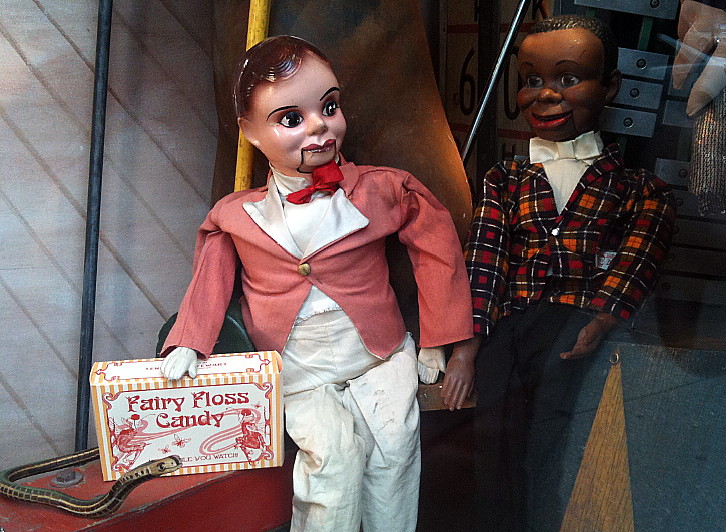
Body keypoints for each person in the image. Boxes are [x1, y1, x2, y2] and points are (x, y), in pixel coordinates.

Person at [159, 35, 473, 532]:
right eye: (290, 118)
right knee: (332, 460)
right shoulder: (234, 216)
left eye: (329, 107)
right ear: (249, 132)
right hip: (298, 366)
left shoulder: (384, 189)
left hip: (378, 352)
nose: (319, 126)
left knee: (394, 450)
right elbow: (209, 283)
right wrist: (189, 342)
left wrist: (438, 339)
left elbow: (438, 253)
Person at [443, 15, 677, 531]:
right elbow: (485, 259)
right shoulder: (505, 179)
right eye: (532, 80)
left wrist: (604, 316)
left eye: (568, 78)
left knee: (557, 441)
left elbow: (638, 257)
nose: (547, 94)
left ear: (609, 86)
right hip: (510, 325)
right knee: (493, 440)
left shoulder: (638, 189)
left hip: (576, 327)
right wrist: (467, 346)